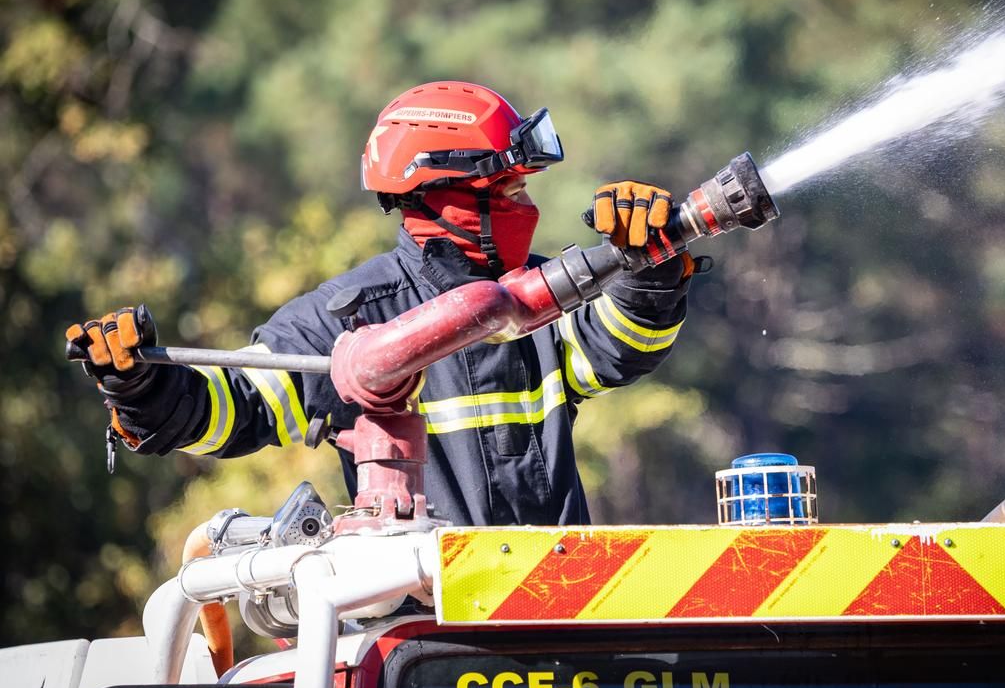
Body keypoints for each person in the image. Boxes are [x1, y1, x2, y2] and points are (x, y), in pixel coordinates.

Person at [65, 81, 692, 526]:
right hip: (416, 643)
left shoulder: (540, 292)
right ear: (438, 195)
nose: (525, 205)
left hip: (548, 620)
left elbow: (621, 349)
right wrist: (139, 388)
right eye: (506, 187)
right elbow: (233, 409)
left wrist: (651, 263)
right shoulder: (347, 319)